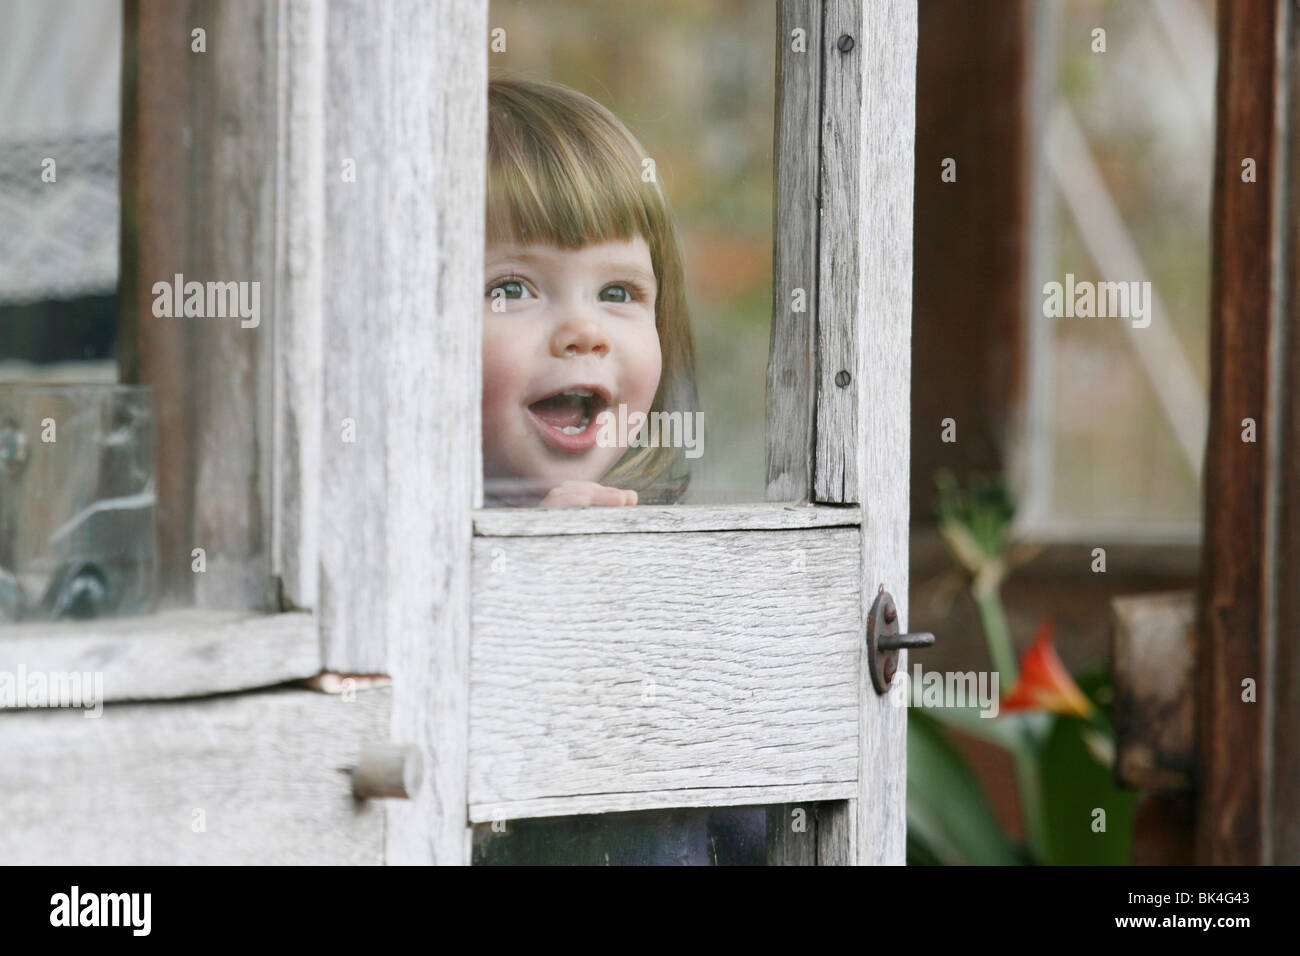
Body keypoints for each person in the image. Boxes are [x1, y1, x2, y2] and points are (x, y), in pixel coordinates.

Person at [482, 76, 699, 508]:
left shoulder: (647, 536)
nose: (585, 331)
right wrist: (539, 563)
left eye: (617, 293)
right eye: (512, 288)